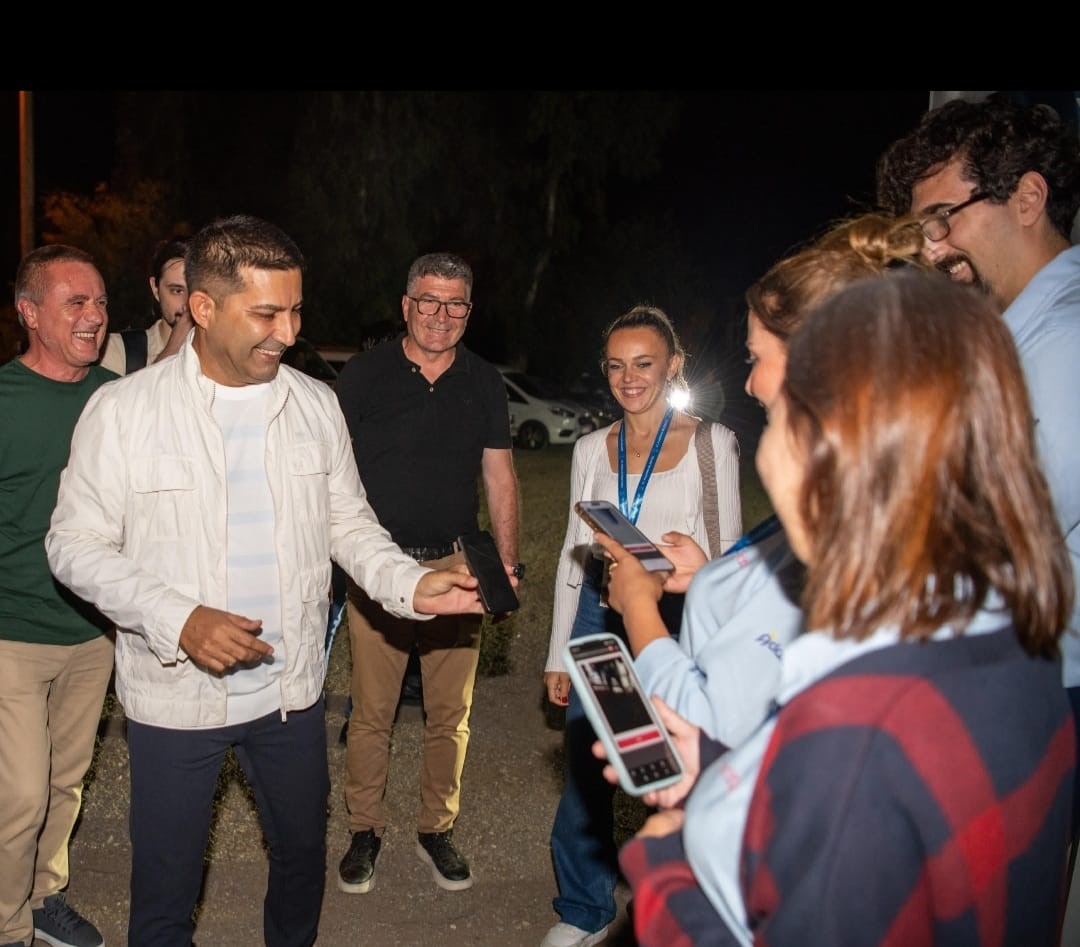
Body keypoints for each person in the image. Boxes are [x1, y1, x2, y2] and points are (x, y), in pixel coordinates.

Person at [44, 216, 487, 947]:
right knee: (166, 884)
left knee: (300, 862)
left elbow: (349, 524)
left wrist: (413, 584)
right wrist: (178, 617)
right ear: (204, 307)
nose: (287, 330)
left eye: (296, 310)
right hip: (174, 695)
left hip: (289, 694)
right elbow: (72, 543)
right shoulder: (124, 411)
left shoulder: (314, 405)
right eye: (267, 313)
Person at [603, 272, 1076, 946]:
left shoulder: (852, 729)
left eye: (784, 397)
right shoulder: (1013, 640)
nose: (756, 394)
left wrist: (665, 870)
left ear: (824, 443)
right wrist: (713, 761)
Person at [612, 214, 928, 747]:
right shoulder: (872, 494)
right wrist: (711, 574)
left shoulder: (847, 532)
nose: (752, 383)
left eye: (757, 359)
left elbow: (713, 727)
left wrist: (639, 608)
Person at [875, 92, 1080, 845]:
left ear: (1028, 197)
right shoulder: (1003, 336)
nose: (930, 248)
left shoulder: (1063, 344)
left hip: (1039, 688)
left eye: (944, 218)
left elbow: (977, 542)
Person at [540, 304, 742, 947]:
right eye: (617, 366)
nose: (630, 378)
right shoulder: (591, 448)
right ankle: (584, 910)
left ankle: (691, 901)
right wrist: (557, 653)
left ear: (673, 366)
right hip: (602, 616)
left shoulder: (712, 442)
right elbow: (574, 558)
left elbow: (728, 552)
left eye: (644, 364)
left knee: (678, 766)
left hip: (677, 619)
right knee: (590, 766)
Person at [333, 251, 521, 895]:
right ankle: (365, 828)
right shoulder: (362, 376)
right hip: (379, 567)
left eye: (455, 304)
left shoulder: (483, 381)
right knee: (371, 712)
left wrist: (508, 563)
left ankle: (436, 829)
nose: (440, 316)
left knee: (450, 713)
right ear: (407, 304)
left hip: (456, 564)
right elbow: (333, 472)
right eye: (429, 301)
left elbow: (500, 476)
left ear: (468, 312)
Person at [1, 245, 115, 947]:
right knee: (19, 795)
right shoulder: (4, 399)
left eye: (101, 302)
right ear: (29, 313)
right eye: (76, 301)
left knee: (66, 783)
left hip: (92, 633)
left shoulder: (113, 398)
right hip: (10, 632)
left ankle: (43, 896)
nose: (94, 316)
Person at [98, 236, 192, 374]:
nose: (187, 303)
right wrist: (173, 348)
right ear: (155, 288)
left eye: (197, 291)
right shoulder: (119, 351)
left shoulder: (225, 353)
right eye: (177, 291)